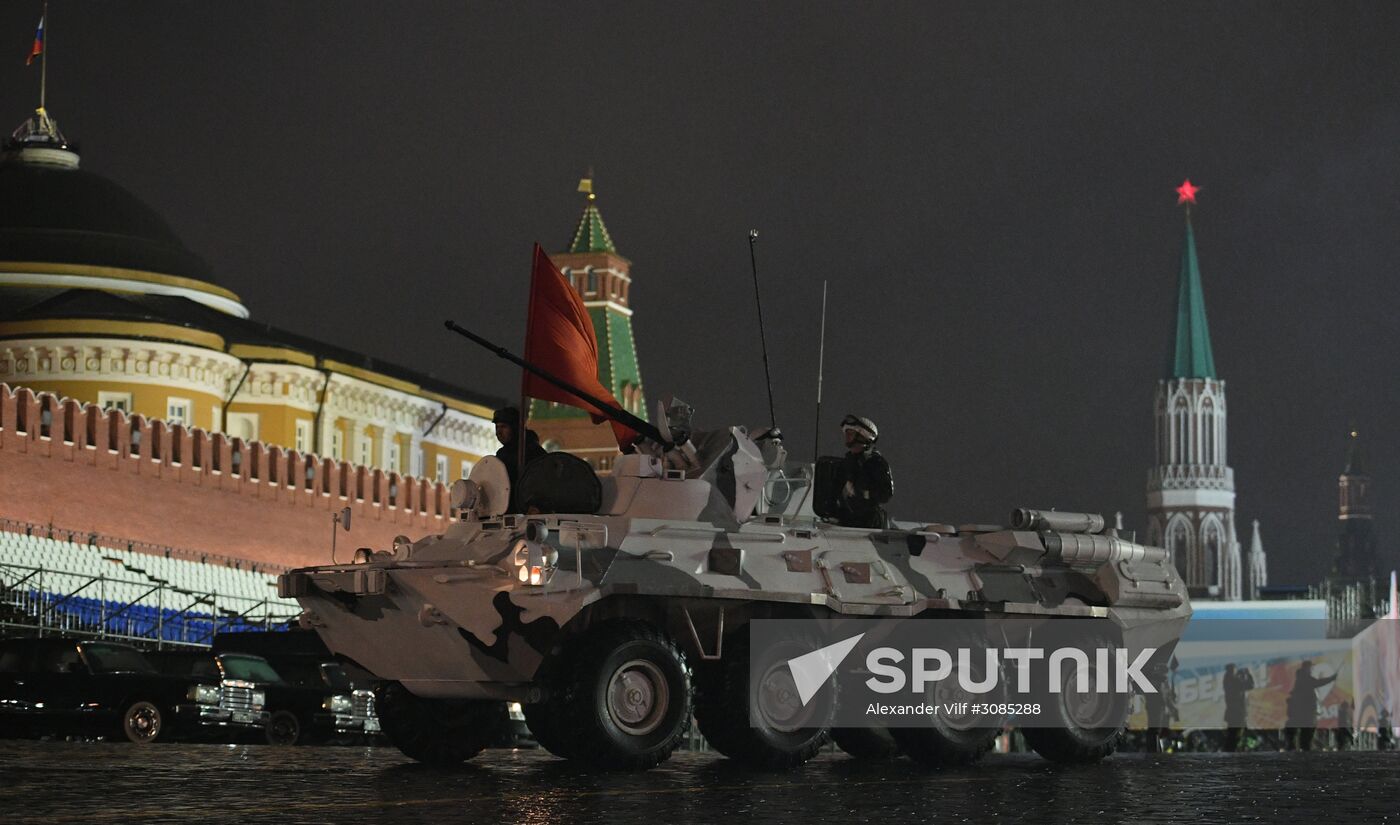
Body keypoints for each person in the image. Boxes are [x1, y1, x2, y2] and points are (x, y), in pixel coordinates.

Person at [830, 414, 893, 529]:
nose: (847, 437)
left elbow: (886, 493)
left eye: (851, 433)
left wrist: (862, 493)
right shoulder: (847, 463)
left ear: (863, 436)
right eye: (846, 433)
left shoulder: (875, 462)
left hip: (869, 523)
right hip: (847, 519)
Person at [1284, 660, 1337, 751]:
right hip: (1306, 710)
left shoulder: (1301, 677)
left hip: (1302, 710)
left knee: (1303, 729)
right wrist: (1332, 678)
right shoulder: (1305, 678)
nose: (1311, 669)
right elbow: (1318, 682)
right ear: (1306, 668)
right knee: (1307, 730)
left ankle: (1299, 747)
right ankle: (1303, 747)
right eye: (1310, 668)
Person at [493, 406, 546, 490]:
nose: (498, 432)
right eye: (497, 427)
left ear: (515, 428)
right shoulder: (502, 454)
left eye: (503, 427)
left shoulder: (532, 451)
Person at [1221, 663, 1255, 752]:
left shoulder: (1227, 679)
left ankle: (1229, 751)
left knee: (1232, 735)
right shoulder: (1233, 680)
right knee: (1236, 736)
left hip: (1232, 713)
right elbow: (1250, 685)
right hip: (1238, 713)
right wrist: (1248, 674)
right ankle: (1231, 751)